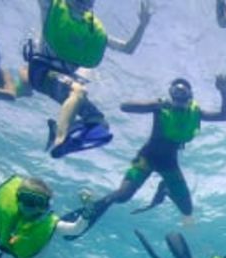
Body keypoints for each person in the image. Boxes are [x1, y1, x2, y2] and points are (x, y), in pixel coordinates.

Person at [72, 76, 226, 234]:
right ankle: (96, 206)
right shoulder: (161, 107)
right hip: (146, 158)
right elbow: (124, 106)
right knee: (123, 196)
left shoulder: (196, 113)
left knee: (187, 210)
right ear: (171, 94)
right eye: (176, 91)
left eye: (183, 92)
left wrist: (224, 91)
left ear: (190, 95)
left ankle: (165, 189)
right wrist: (157, 104)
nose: (179, 96)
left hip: (169, 164)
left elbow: (225, 116)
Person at [26, 0, 152, 157]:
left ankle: (57, 132)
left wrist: (142, 25)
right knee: (78, 90)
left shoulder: (92, 30)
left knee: (99, 124)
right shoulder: (51, 6)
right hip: (41, 72)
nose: (83, 2)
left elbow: (128, 49)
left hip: (65, 82)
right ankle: (60, 140)